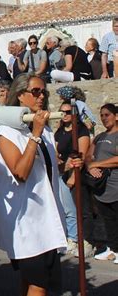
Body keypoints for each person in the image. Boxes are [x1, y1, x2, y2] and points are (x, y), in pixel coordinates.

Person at [0, 73, 71, 296]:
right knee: (36, 287)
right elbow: (21, 172)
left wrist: (69, 163)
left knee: (31, 287)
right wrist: (36, 135)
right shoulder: (6, 132)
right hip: (26, 225)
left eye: (44, 92)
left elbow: (50, 170)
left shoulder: (45, 130)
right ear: (20, 95)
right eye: (35, 92)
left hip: (45, 220)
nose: (42, 97)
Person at [54, 102, 91, 256]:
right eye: (62, 112)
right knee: (65, 209)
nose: (65, 114)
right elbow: (55, 150)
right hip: (63, 172)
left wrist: (74, 177)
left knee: (80, 209)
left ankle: (82, 241)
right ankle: (71, 238)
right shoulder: (60, 132)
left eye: (68, 111)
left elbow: (81, 154)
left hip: (77, 173)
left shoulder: (80, 130)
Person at [87, 104, 118, 263]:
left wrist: (97, 164)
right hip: (102, 189)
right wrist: (90, 167)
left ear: (116, 116)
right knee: (108, 221)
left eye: (107, 115)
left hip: (116, 187)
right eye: (102, 115)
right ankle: (113, 250)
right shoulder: (99, 137)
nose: (104, 118)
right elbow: (88, 156)